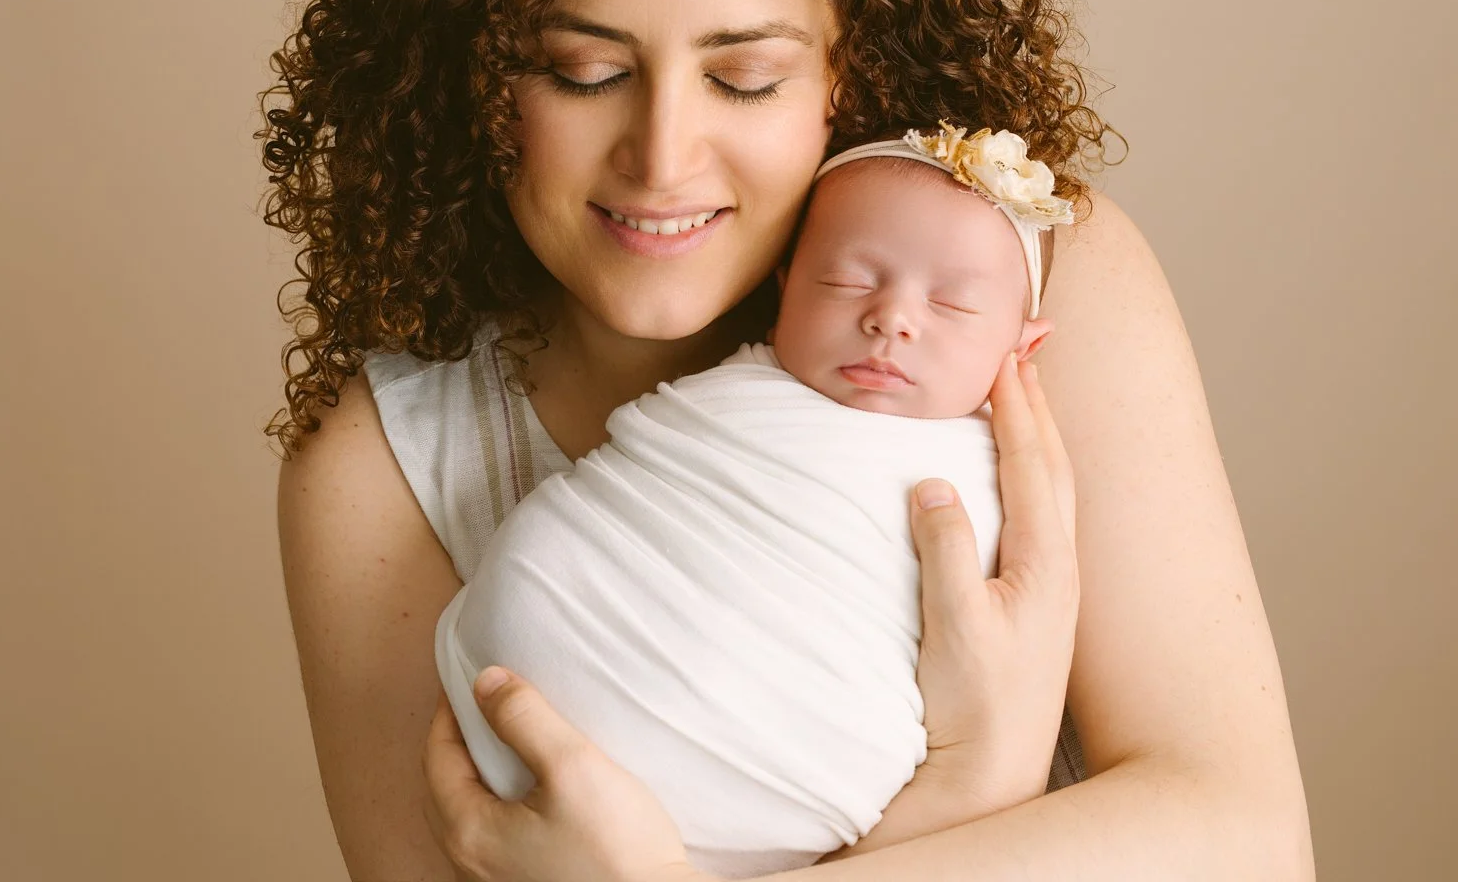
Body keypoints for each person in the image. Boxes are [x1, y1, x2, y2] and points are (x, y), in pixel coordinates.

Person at [265, 0, 1312, 879]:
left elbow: (1247, 845)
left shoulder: (1023, 287)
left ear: (843, 73)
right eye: (581, 70)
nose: (662, 158)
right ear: (471, 73)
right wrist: (979, 773)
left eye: (747, 79)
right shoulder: (384, 471)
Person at [433, 128, 1073, 879]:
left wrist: (982, 769)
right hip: (505, 731)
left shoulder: (999, 480)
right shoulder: (735, 397)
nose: (892, 318)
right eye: (845, 280)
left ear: (1024, 349)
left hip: (749, 777)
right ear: (785, 284)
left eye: (954, 305)